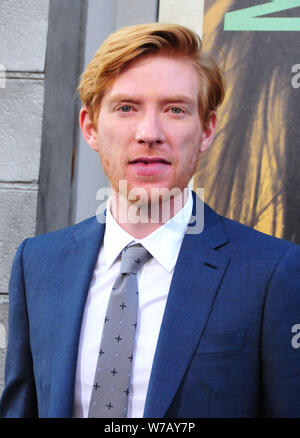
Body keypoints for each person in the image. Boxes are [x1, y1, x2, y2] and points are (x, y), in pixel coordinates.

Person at [0, 22, 300, 418]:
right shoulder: (38, 263)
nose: (149, 133)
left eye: (175, 109)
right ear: (91, 127)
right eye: (126, 108)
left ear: (207, 129)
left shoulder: (272, 271)